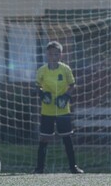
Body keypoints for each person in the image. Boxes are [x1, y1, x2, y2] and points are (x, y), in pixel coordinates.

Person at [32, 41, 84, 174]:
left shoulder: (66, 69)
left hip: (63, 110)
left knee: (67, 138)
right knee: (44, 138)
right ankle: (39, 169)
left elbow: (72, 85)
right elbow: (37, 86)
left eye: (56, 54)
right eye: (50, 54)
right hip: (47, 110)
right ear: (46, 55)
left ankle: (73, 167)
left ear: (61, 55)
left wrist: (66, 96)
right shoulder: (42, 70)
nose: (53, 57)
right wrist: (42, 94)